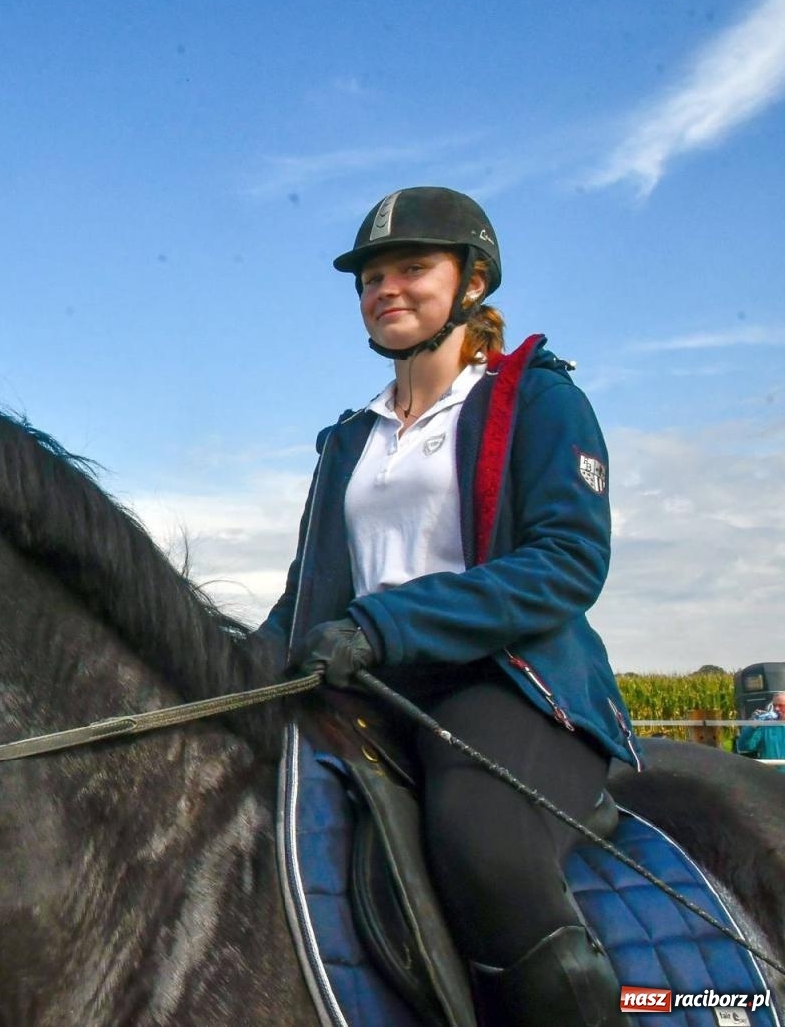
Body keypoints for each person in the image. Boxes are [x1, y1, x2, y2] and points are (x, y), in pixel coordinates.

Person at [258, 186, 638, 1027]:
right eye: (369, 278)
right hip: (366, 687)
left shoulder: (537, 398)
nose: (384, 289)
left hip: (509, 687)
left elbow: (566, 562)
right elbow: (308, 593)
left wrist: (385, 626)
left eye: (411, 269)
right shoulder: (351, 437)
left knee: (481, 844)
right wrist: (237, 666)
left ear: (472, 284)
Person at [736, 691, 785, 762]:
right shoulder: (765, 727)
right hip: (771, 772)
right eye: (774, 705)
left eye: (781, 705)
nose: (776, 709)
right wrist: (752, 726)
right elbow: (744, 747)